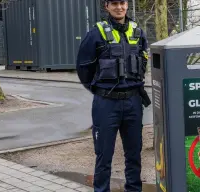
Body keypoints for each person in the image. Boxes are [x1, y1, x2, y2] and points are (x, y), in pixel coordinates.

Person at [75, 0, 150, 191]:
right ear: (106, 6)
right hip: (106, 103)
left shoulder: (138, 32)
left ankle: (134, 189)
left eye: (122, 2)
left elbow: (143, 61)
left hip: (133, 101)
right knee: (103, 155)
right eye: (114, 3)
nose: (119, 7)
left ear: (127, 5)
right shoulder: (95, 34)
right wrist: (100, 90)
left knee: (134, 154)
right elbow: (84, 68)